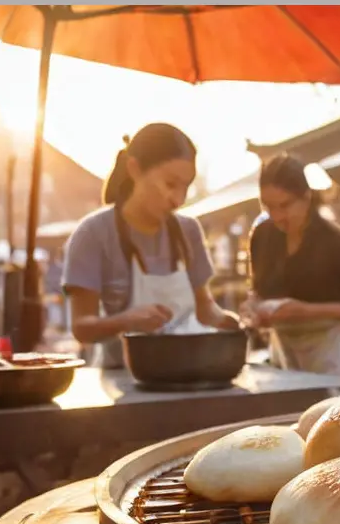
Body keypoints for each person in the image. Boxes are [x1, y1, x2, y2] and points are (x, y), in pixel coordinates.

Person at [62, 124, 239, 368]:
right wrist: (126, 320)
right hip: (120, 378)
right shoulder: (93, 234)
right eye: (170, 184)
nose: (178, 200)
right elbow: (81, 328)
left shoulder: (188, 230)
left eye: (186, 187)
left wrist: (233, 322)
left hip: (187, 371)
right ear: (135, 169)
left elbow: (204, 308)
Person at [243, 153, 340, 374]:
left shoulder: (335, 241)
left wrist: (307, 311)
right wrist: (255, 308)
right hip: (284, 346)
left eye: (285, 205)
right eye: (268, 206)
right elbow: (258, 290)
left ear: (306, 197)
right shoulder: (262, 235)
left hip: (334, 347)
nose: (277, 216)